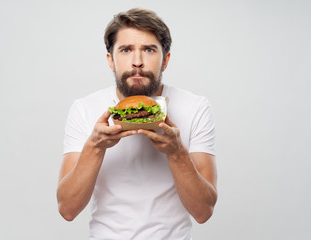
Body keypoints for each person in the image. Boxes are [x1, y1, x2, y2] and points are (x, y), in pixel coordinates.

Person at [57, 8, 217, 239]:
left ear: (165, 60)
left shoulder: (195, 107)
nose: (137, 62)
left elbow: (203, 212)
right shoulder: (84, 109)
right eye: (126, 50)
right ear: (111, 60)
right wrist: (95, 146)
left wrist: (176, 152)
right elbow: (67, 209)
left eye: (149, 50)